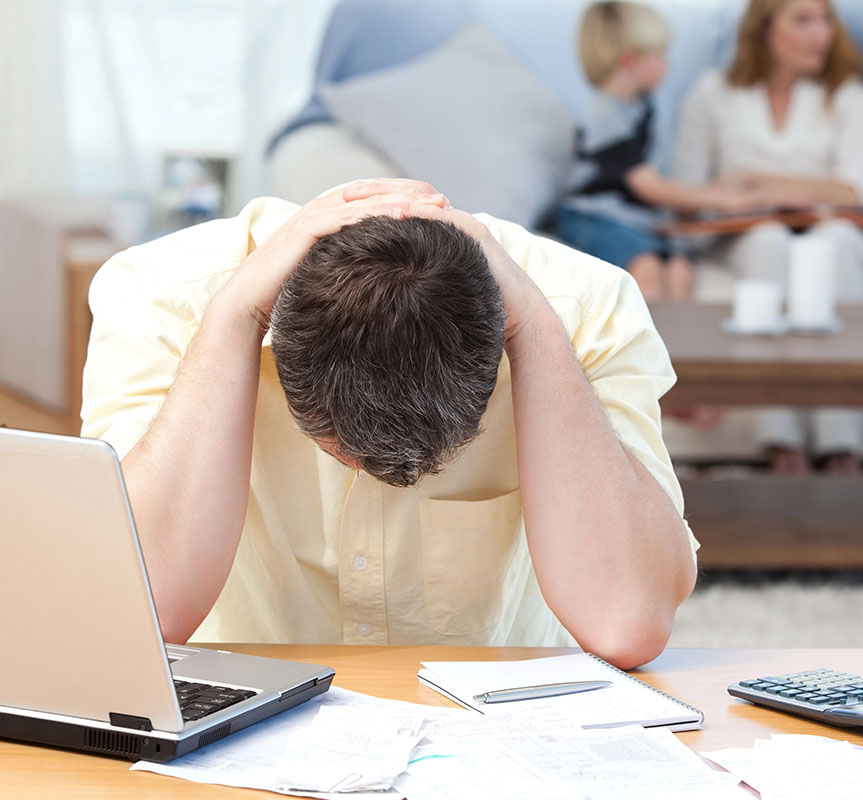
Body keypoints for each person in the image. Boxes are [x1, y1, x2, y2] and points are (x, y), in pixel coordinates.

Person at [80, 178, 699, 670]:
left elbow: (627, 621)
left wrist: (535, 330)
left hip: (489, 726)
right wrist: (235, 318)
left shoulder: (585, 306)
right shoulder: (160, 295)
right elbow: (131, 617)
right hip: (239, 716)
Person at [673, 0, 863, 476]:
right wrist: (732, 198)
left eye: (825, 19)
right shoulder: (714, 93)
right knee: (770, 242)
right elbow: (687, 194)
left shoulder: (851, 98)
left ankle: (839, 445)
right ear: (765, 28)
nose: (820, 34)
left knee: (836, 246)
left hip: (830, 225)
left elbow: (854, 191)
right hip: (747, 230)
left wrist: (759, 182)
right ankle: (781, 439)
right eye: (803, 20)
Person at [556, 1, 759, 301]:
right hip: (595, 217)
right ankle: (642, 347)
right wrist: (720, 198)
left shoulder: (642, 106)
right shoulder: (604, 116)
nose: (667, 64)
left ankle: (679, 347)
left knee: (680, 268)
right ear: (629, 61)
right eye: (659, 55)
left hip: (634, 218)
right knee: (646, 267)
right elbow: (648, 186)